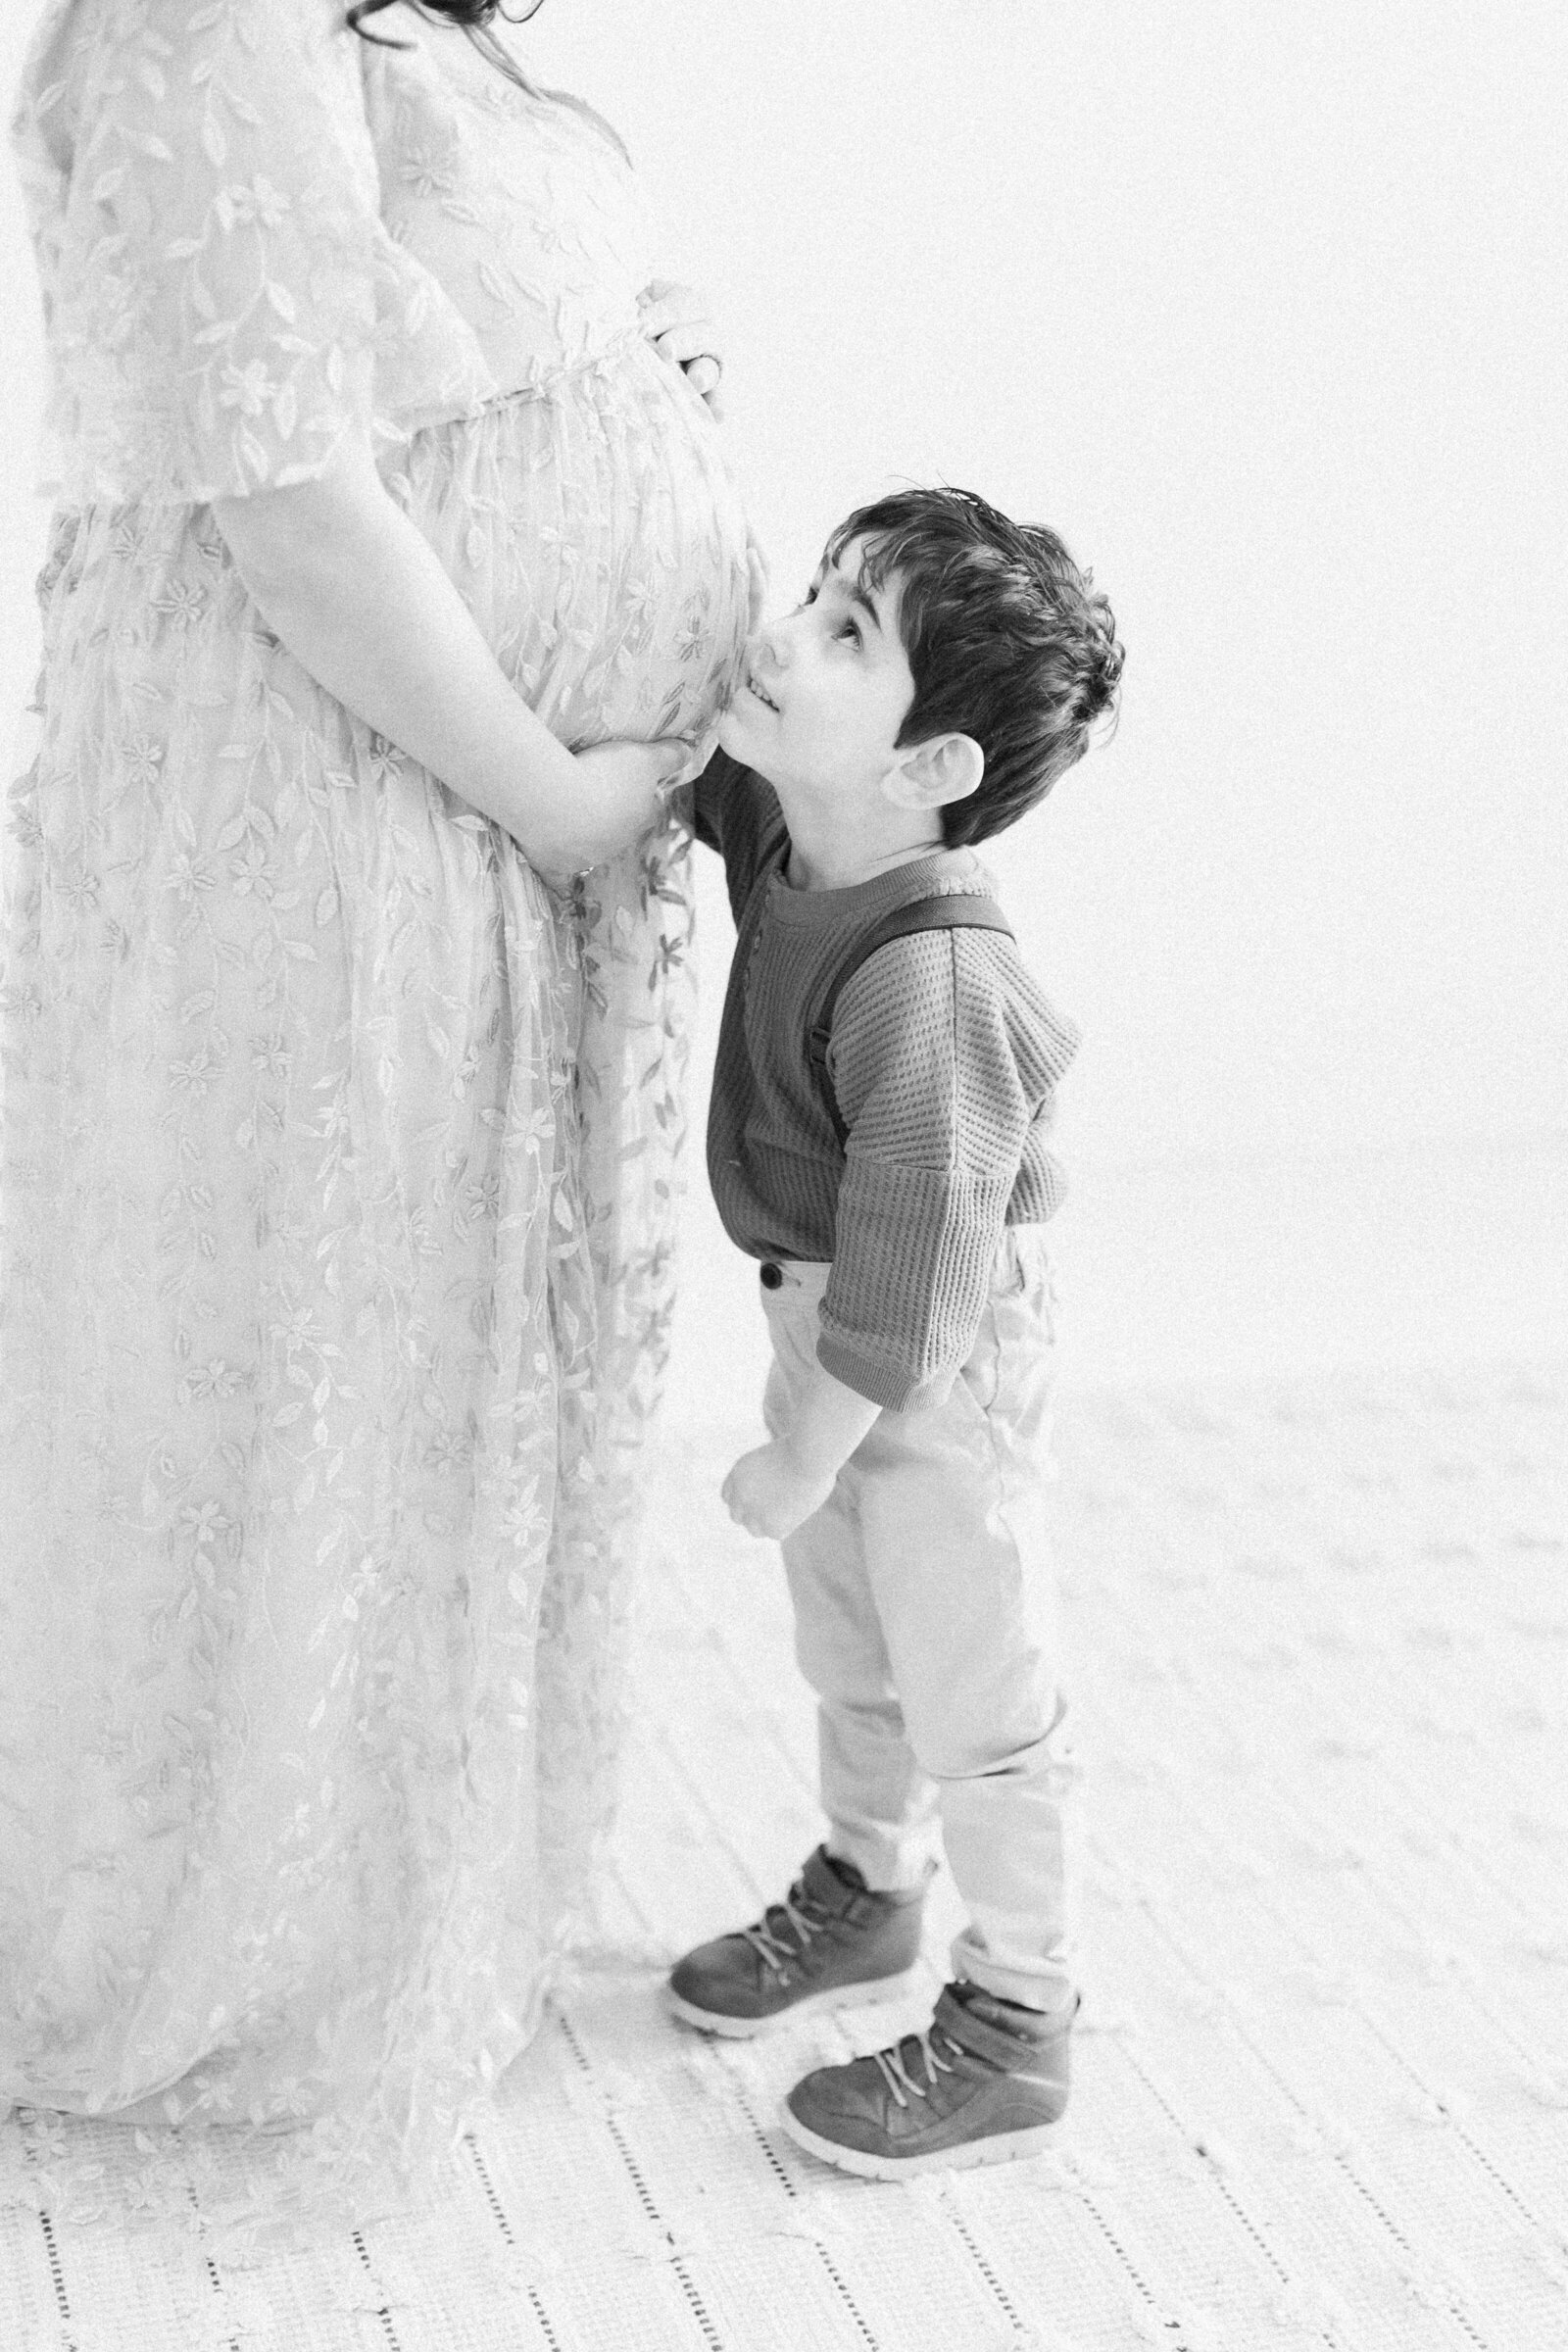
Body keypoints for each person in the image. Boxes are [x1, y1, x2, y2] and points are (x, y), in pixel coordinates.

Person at [0, 0, 751, 2203]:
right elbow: (291, 504)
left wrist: (638, 344)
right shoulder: (194, 19)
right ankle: (245, 1937)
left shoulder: (383, 21)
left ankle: (400, 1883)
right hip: (346, 798)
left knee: (430, 1361)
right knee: (303, 1364)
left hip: (458, 806)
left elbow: (425, 328)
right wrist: (560, 803)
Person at [667, 486, 1123, 2178]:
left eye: (845, 633)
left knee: (973, 1686)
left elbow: (917, 1267)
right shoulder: (797, 829)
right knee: (850, 1644)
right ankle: (869, 1885)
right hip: (828, 1325)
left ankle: (1018, 2019)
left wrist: (805, 1452)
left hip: (935, 1359)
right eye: (815, 593)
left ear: (931, 767)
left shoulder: (929, 977)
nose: (786, 636)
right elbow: (679, 747)